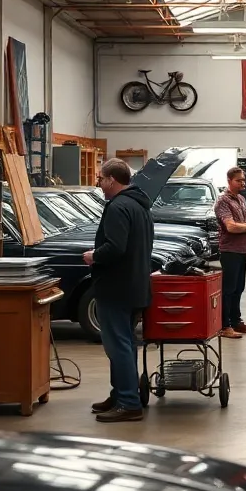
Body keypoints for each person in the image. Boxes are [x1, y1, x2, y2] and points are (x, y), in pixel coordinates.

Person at [85, 158, 155, 423]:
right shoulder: (140, 205)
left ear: (112, 180)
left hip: (116, 287)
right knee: (125, 343)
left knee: (118, 346)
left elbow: (115, 247)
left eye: (101, 179)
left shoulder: (118, 207)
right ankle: (121, 393)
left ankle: (128, 401)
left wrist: (94, 256)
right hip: (135, 284)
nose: (99, 184)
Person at [214, 165, 246, 339]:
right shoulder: (223, 201)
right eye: (239, 180)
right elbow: (231, 227)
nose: (242, 183)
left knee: (239, 288)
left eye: (243, 180)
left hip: (242, 249)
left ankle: (236, 321)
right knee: (229, 289)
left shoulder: (241, 199)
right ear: (229, 181)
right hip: (229, 250)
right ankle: (225, 326)